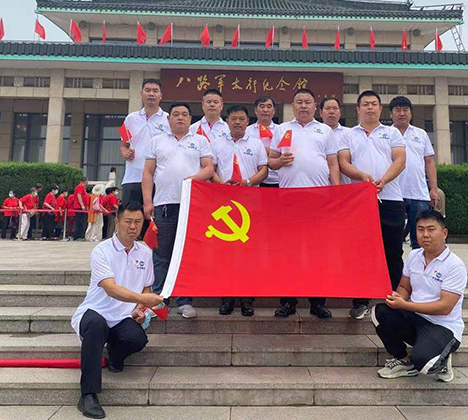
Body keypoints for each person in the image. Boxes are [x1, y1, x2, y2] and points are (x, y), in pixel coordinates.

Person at [70, 201, 163, 420]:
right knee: (96, 325)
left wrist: (140, 308)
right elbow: (110, 289)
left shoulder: (145, 252)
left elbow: (146, 287)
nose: (133, 226)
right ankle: (88, 395)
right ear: (117, 222)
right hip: (96, 310)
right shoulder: (102, 251)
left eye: (138, 222)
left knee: (137, 339)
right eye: (128, 221)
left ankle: (115, 355)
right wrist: (143, 299)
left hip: (123, 316)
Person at [268, 88, 340, 319]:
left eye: (308, 102)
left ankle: (317, 302)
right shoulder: (282, 129)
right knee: (288, 252)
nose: (303, 106)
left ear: (315, 106)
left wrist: (337, 192)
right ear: (292, 106)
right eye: (299, 102)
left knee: (318, 252)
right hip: (288, 199)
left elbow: (333, 164)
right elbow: (270, 161)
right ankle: (287, 301)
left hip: (319, 200)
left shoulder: (324, 130)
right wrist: (280, 161)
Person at [372, 209, 467, 383]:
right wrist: (397, 299)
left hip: (443, 327)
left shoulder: (455, 265)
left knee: (423, 363)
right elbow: (404, 287)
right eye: (420, 229)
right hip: (416, 319)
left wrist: (404, 305)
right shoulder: (414, 256)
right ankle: (403, 360)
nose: (425, 235)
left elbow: (445, 307)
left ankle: (442, 359)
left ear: (444, 233)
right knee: (379, 312)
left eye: (431, 229)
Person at [338, 90, 406, 319]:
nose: (369, 107)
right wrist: (361, 177)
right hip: (360, 201)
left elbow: (400, 160)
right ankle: (361, 301)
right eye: (365, 104)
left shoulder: (392, 132)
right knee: (361, 252)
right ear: (358, 109)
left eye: (374, 104)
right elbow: (343, 162)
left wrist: (384, 180)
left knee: (392, 251)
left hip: (391, 199)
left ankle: (395, 299)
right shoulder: (348, 135)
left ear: (380, 109)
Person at [143, 102, 214, 319]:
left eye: (184, 114)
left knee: (186, 254)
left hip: (191, 206)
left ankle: (185, 301)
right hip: (164, 204)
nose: (180, 118)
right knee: (161, 255)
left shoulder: (200, 141)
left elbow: (209, 168)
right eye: (175, 114)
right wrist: (147, 202)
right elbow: (148, 172)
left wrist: (193, 179)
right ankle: (159, 298)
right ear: (168, 119)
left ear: (190, 119)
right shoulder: (157, 141)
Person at [211, 104, 268, 317]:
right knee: (225, 253)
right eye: (233, 118)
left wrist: (248, 182)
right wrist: (222, 185)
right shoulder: (216, 143)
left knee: (249, 253)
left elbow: (264, 170)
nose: (237, 122)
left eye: (241, 119)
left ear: (247, 121)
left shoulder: (256, 143)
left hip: (250, 203)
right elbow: (211, 169)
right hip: (224, 205)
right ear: (226, 121)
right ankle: (226, 298)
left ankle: (247, 298)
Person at [389, 96, 440, 250]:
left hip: (418, 194)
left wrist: (434, 188)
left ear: (411, 113)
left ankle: (420, 266)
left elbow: (429, 162)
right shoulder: (385, 134)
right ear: (391, 114)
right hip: (392, 193)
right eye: (397, 110)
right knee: (392, 239)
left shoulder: (421, 134)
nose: (402, 113)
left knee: (421, 240)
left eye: (405, 110)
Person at [119, 79, 169, 215]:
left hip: (158, 179)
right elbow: (123, 145)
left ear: (161, 96)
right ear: (141, 94)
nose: (151, 94)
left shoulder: (168, 119)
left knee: (154, 220)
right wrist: (125, 152)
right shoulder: (130, 118)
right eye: (147, 90)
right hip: (132, 178)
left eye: (155, 91)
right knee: (130, 219)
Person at [246, 95, 279, 187]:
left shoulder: (281, 130)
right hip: (253, 179)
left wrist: (269, 151)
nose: (265, 110)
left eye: (269, 107)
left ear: (274, 111)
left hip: (276, 179)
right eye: (262, 106)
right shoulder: (247, 131)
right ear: (255, 110)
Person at [320, 97, 351, 184]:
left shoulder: (350, 133)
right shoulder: (314, 133)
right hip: (321, 183)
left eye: (335, 108)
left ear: (340, 112)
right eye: (327, 108)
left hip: (345, 184)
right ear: (321, 113)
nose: (331, 112)